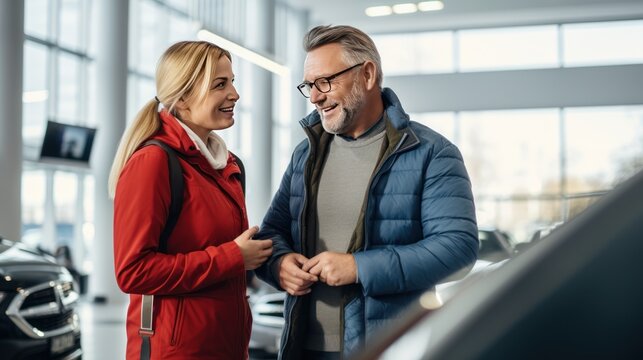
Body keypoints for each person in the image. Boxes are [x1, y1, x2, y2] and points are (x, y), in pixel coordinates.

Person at [254, 25, 479, 359]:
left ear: (368, 74)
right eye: (309, 86)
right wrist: (279, 264)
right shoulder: (306, 155)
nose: (315, 97)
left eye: (325, 82)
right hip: (303, 348)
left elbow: (457, 249)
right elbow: (272, 234)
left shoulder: (431, 152)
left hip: (387, 349)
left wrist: (360, 267)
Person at [109, 41, 273, 359]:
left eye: (233, 82)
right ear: (183, 97)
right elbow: (134, 271)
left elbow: (228, 253)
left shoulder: (229, 165)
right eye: (220, 85)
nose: (235, 95)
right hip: (176, 352)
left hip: (225, 345)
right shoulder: (154, 162)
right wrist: (233, 257)